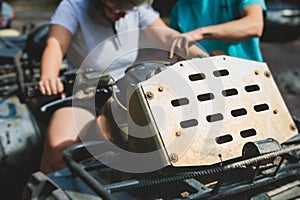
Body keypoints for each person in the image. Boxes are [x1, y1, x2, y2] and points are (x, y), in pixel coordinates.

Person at [38, 0, 207, 174]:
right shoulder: (73, 6)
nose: (124, 15)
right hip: (84, 91)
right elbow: (56, 45)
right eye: (115, 10)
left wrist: (203, 58)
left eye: (128, 10)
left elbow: (168, 37)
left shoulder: (136, 8)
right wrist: (49, 75)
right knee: (58, 149)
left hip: (125, 88)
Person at [169, 0, 266, 62]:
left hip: (247, 77)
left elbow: (255, 25)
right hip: (206, 83)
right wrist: (208, 59)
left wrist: (201, 33)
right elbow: (177, 52)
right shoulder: (179, 7)